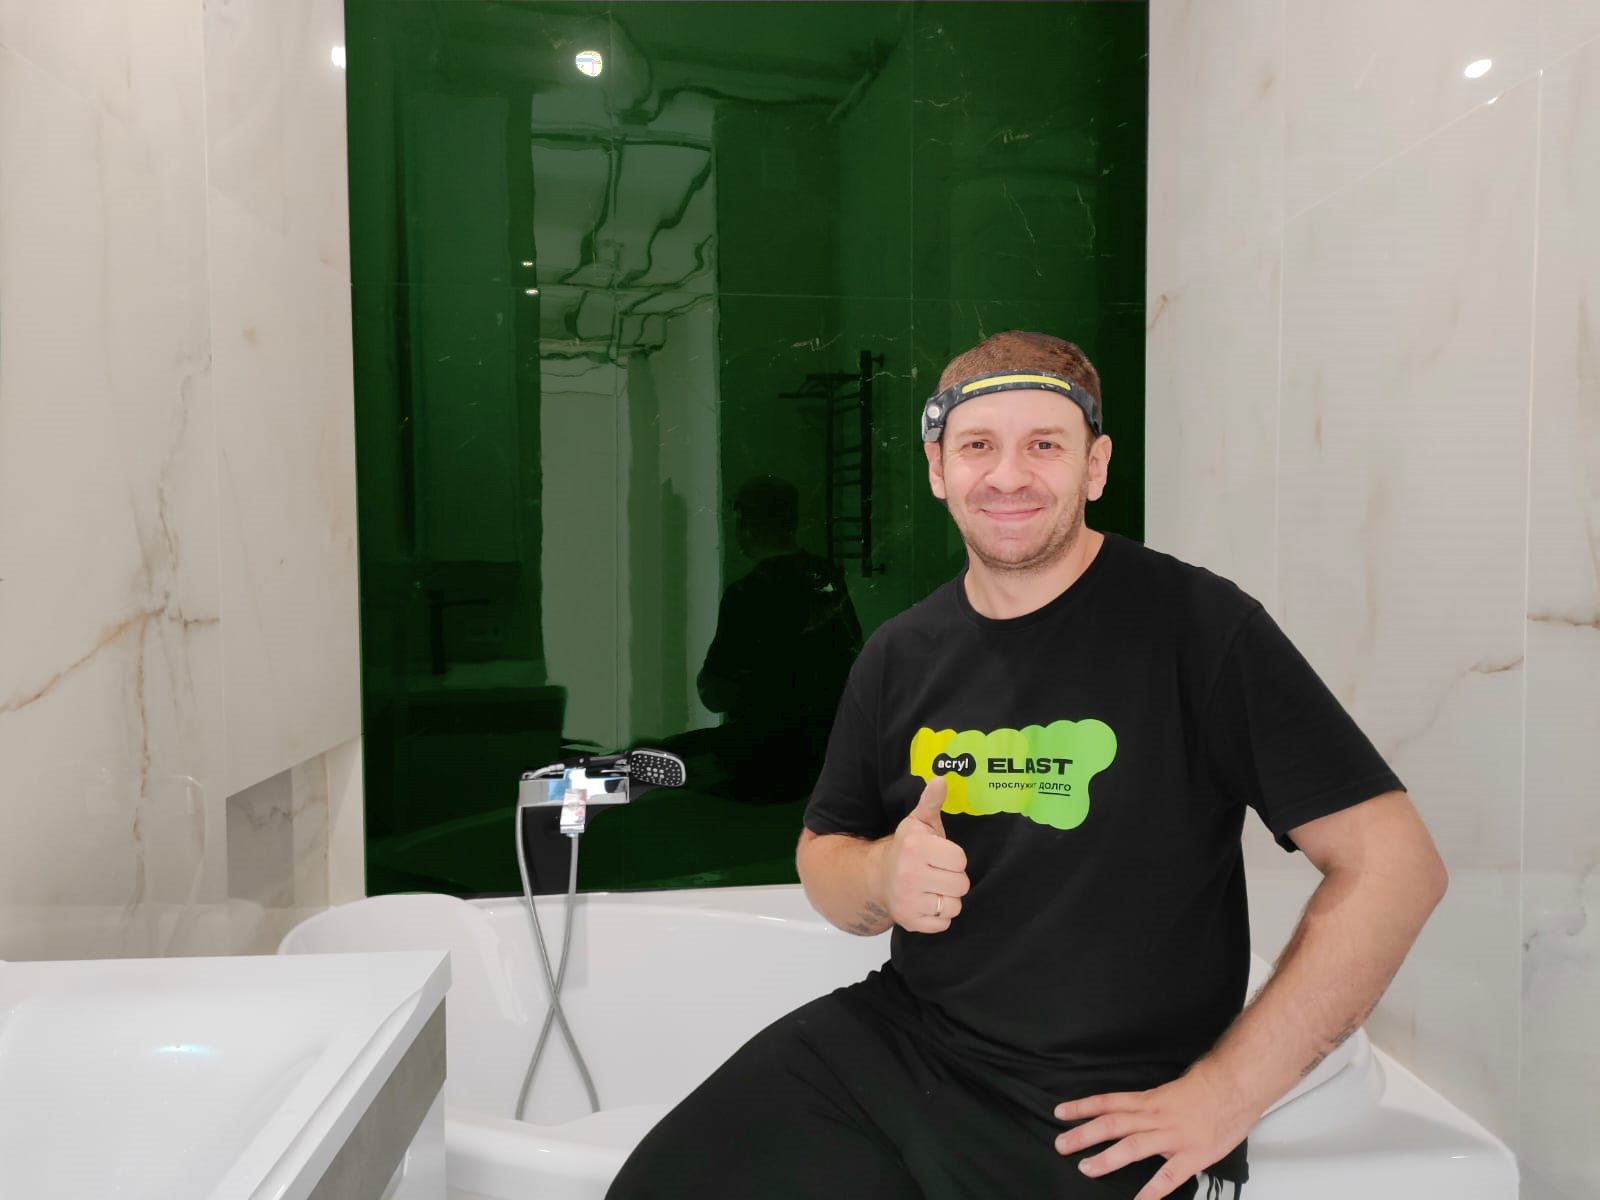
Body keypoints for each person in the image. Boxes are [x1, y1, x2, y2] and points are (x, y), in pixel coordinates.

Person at [605, 331, 1447, 1199]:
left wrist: (1225, 1096)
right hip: (902, 1042)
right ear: (939, 469)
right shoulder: (899, 654)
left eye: (1044, 444)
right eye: (978, 445)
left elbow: (1395, 868)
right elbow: (823, 855)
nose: (1007, 476)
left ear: (1095, 466)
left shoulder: (1198, 627)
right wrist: (883, 874)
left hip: (1100, 1102)